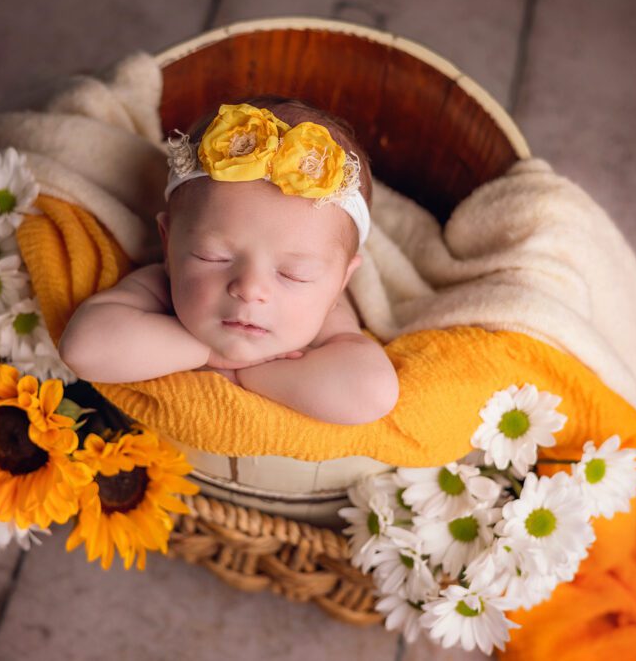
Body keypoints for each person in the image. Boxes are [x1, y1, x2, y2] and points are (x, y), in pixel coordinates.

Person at [58, 96, 398, 425]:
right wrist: (206, 353)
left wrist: (250, 372)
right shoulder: (160, 284)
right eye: (214, 256)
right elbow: (83, 349)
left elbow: (372, 393)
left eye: (294, 274)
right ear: (168, 244)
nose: (250, 289)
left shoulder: (328, 314)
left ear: (341, 281)